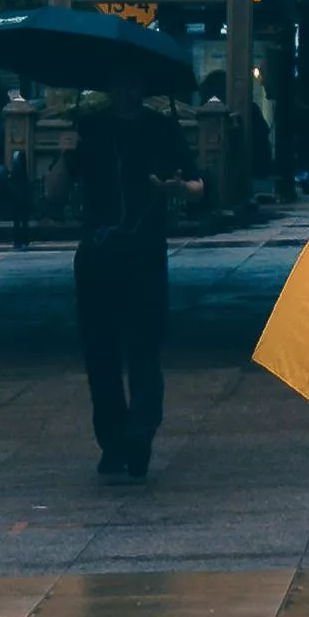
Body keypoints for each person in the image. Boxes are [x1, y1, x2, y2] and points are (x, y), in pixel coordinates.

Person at [71, 102, 173, 480]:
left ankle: (139, 433)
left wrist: (175, 187)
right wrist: (66, 153)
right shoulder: (89, 128)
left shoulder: (160, 128)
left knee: (144, 348)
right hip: (98, 255)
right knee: (101, 355)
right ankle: (113, 440)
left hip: (144, 252)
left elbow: (197, 184)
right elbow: (54, 190)